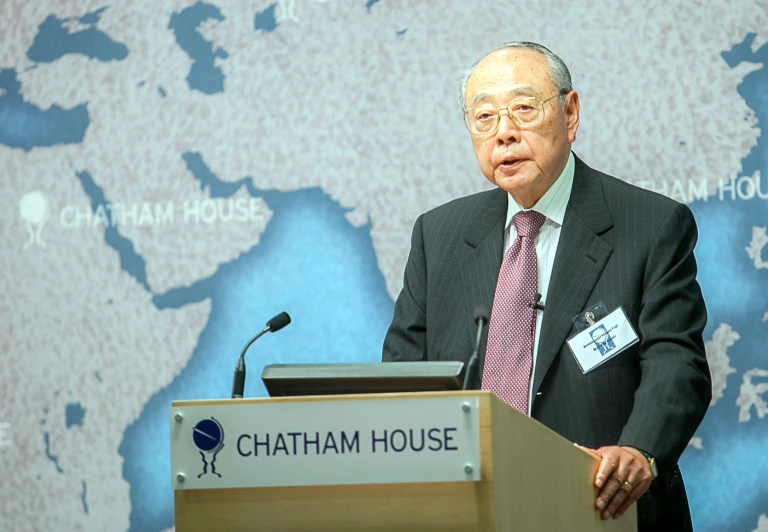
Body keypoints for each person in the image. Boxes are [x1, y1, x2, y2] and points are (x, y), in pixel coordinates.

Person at [382, 41, 711, 531]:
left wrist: (640, 450)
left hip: (602, 508)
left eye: (522, 109)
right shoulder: (439, 234)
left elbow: (675, 360)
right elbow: (403, 375)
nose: (504, 134)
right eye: (484, 117)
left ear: (570, 112)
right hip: (466, 510)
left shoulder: (651, 224)